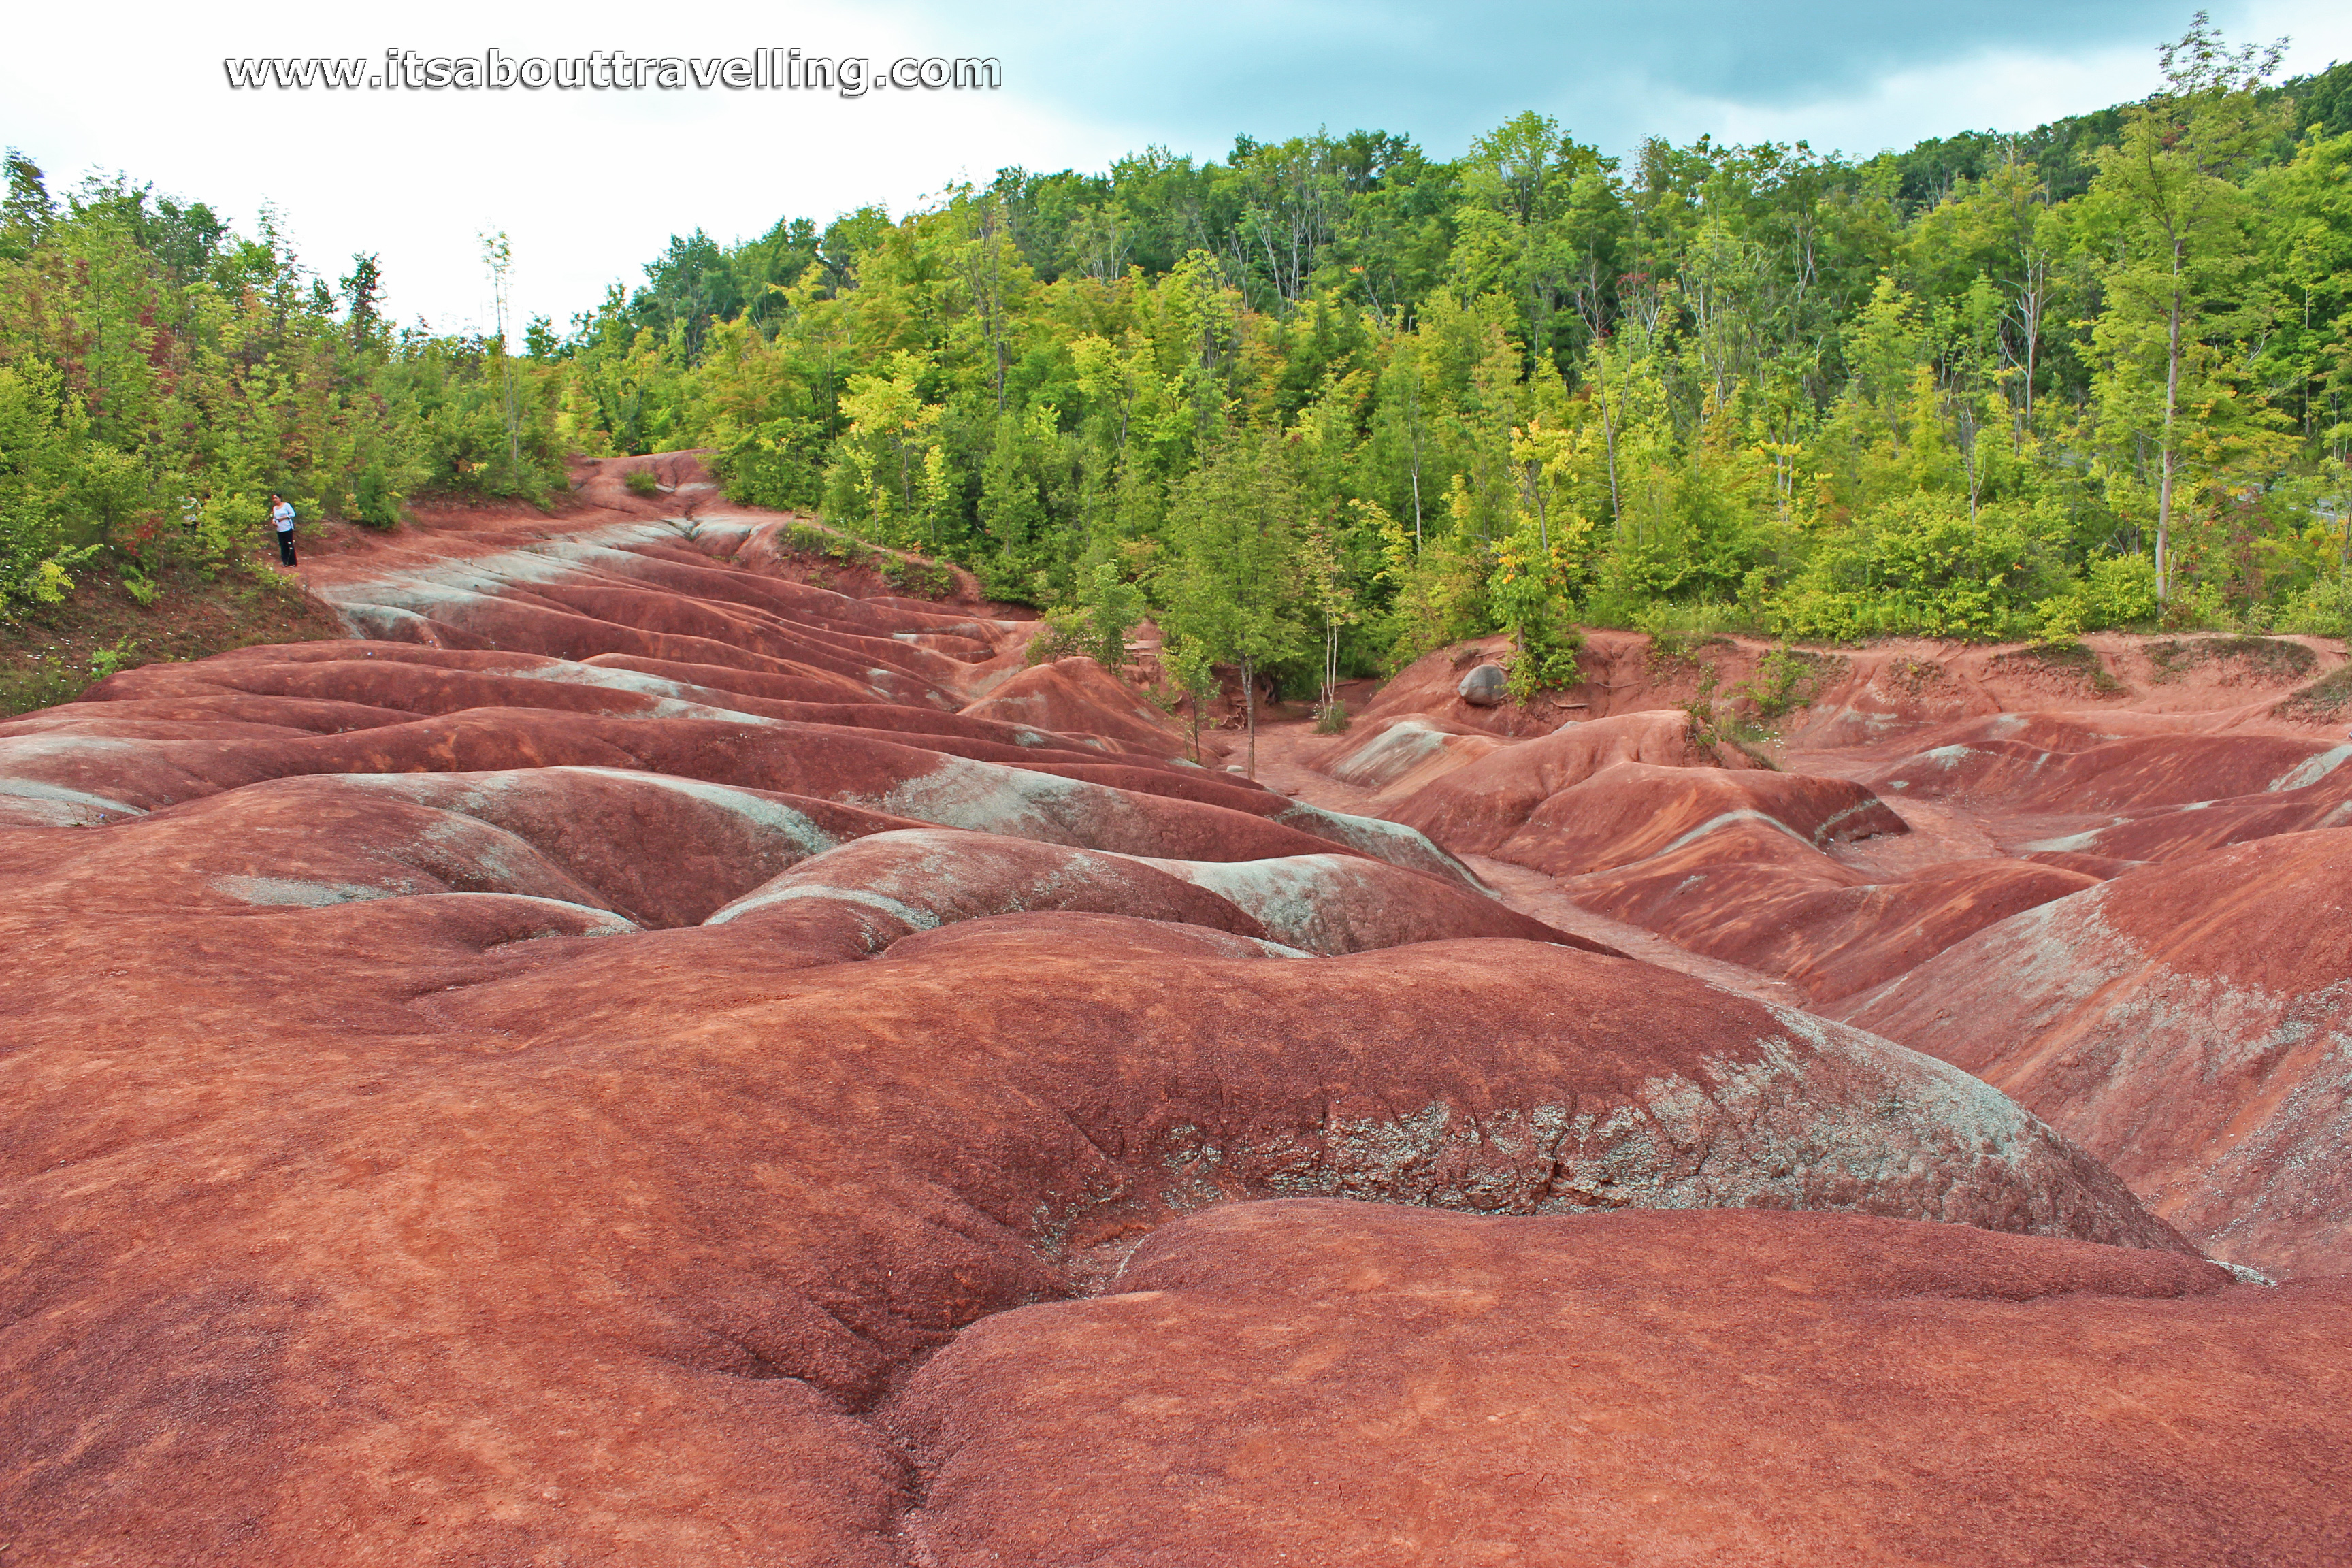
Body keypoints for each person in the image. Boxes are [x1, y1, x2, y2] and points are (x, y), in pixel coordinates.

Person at [269, 493, 297, 566]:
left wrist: (284, 518)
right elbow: (275, 517)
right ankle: (285, 562)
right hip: (279, 529)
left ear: (280, 498)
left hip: (287, 528)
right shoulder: (275, 508)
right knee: (283, 545)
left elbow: (293, 514)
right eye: (273, 499)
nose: (275, 500)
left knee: (289, 545)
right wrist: (273, 521)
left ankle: (293, 563)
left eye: (276, 498)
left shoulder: (286, 505)